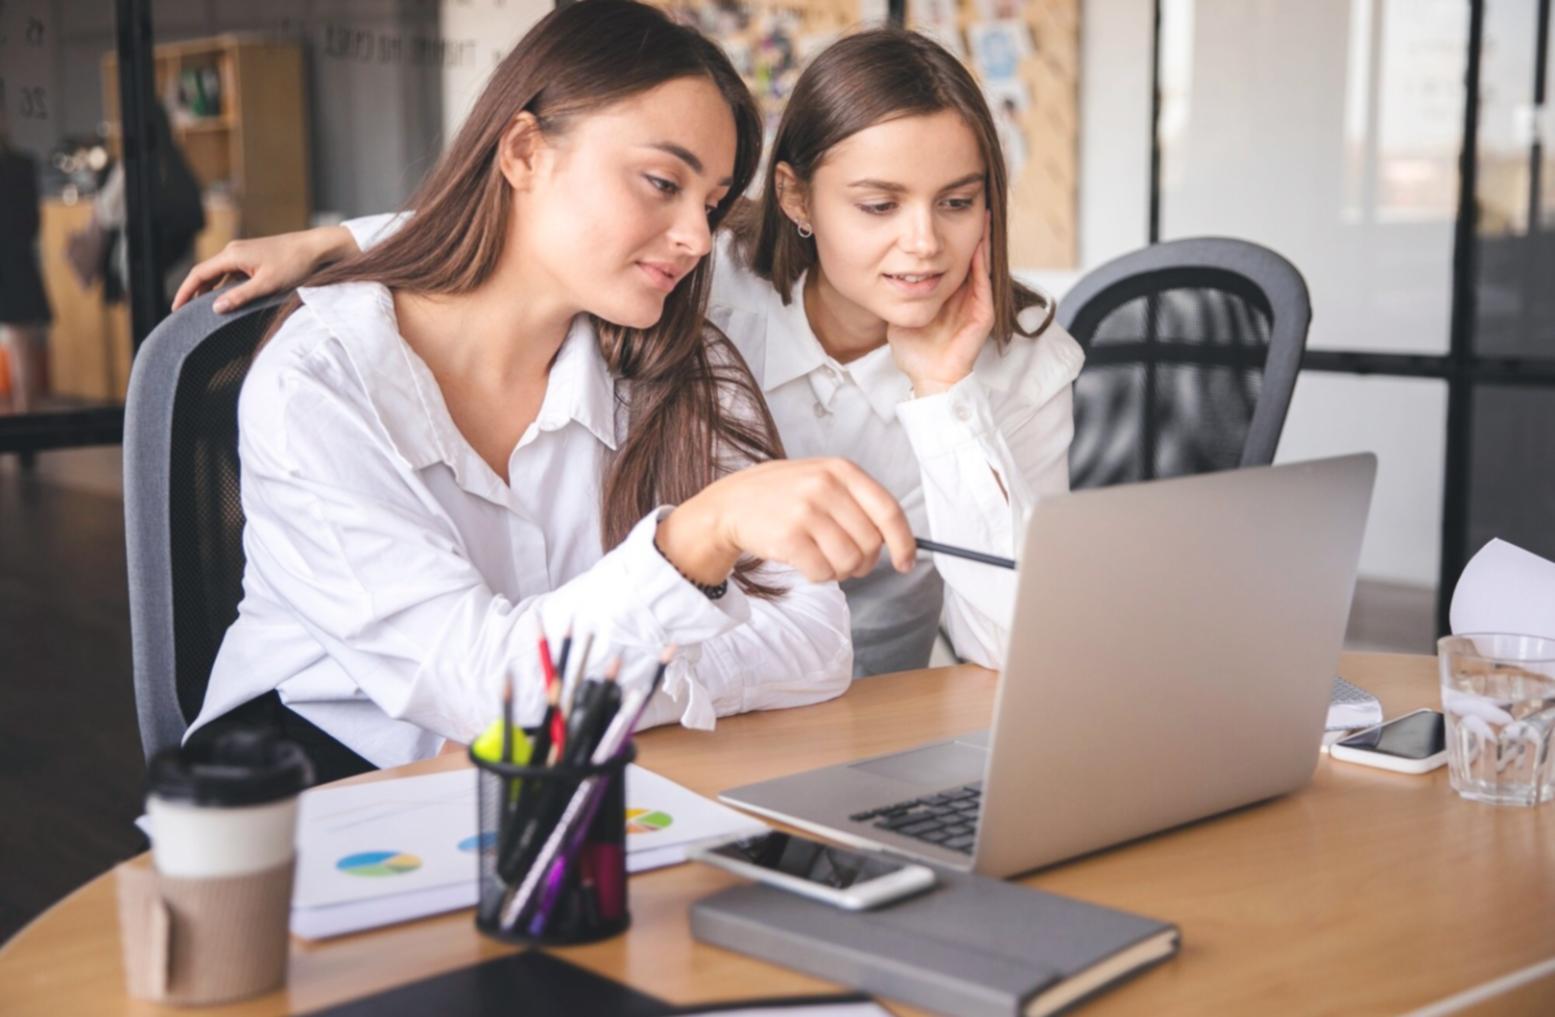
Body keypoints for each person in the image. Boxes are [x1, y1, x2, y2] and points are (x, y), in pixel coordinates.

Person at [176, 28, 1081, 677]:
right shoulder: (702, 298)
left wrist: (946, 395)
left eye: (957, 203)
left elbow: (871, 643)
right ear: (799, 202)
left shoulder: (675, 329)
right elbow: (519, 230)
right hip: (380, 762)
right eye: (878, 206)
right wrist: (343, 240)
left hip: (837, 712)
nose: (923, 245)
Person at [183, 0, 916, 781]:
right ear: (525, 152)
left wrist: (569, 698)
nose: (698, 238)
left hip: (581, 785)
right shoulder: (320, 382)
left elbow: (814, 643)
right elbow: (483, 691)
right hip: (330, 792)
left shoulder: (678, 355)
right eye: (661, 182)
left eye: (708, 203)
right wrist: (689, 547)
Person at [0, 113, 51, 411]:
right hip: (17, 262)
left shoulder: (21, 164)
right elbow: (32, 223)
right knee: (23, 350)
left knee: (21, 350)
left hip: (15, 262)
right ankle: (25, 430)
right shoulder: (22, 165)